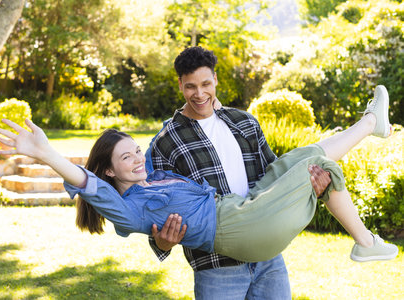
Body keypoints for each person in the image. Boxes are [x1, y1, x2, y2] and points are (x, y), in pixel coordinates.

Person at [0, 87, 398, 264]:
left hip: (242, 207)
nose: (137, 158)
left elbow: (168, 132)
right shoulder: (128, 208)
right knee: (321, 166)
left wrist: (202, 100)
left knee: (303, 155)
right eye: (126, 156)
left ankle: (369, 123)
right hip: (236, 228)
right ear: (107, 170)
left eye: (136, 150)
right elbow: (88, 185)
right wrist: (46, 154)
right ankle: (365, 242)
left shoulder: (150, 172)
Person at [144, 46, 392, 299]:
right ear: (179, 84)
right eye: (190, 87)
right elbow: (156, 207)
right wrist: (162, 242)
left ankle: (370, 123)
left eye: (206, 84)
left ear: (216, 80)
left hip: (268, 262)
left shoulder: (243, 122)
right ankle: (371, 123)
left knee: (312, 163)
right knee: (312, 160)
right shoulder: (166, 143)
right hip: (217, 266)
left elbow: (275, 176)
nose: (199, 94)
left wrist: (310, 186)